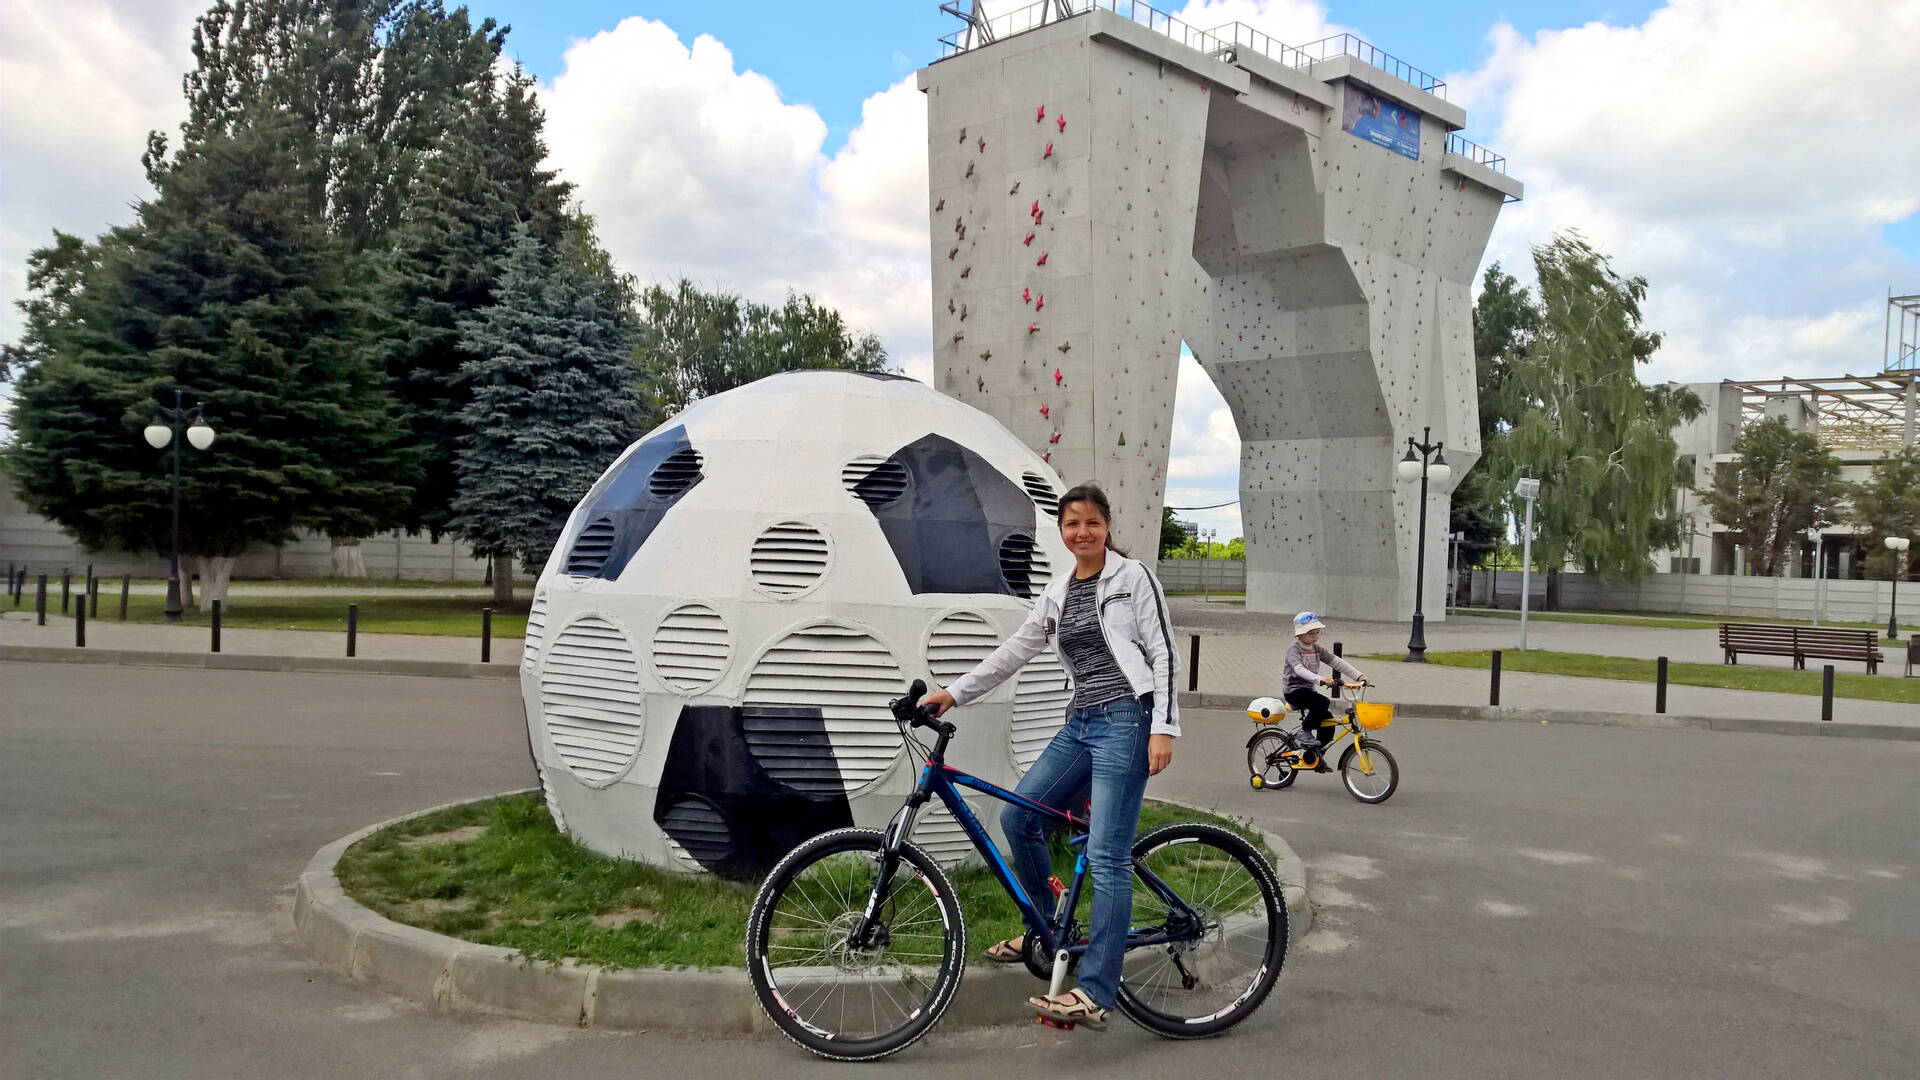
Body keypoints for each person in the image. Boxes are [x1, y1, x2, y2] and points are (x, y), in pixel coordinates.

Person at [918, 482, 1178, 1030]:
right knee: (1019, 817)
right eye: (1071, 524)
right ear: (1061, 532)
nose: (1082, 533)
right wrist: (954, 692)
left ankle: (1096, 992)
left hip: (1127, 720)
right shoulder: (1058, 591)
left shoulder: (1132, 578)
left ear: (1107, 526)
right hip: (1081, 722)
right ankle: (1046, 928)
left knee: (1106, 855)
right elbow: (1015, 649)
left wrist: (1163, 728)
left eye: (1091, 523)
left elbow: (1164, 652)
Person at [1283, 612, 1365, 769]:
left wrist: (1359, 675)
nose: (1315, 637)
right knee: (1323, 702)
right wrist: (1320, 679)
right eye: (1311, 633)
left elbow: (1336, 662)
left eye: (1317, 633)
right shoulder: (1294, 649)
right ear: (1299, 634)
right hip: (1293, 691)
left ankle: (1313, 756)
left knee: (1328, 723)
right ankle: (1304, 731)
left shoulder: (1316, 649)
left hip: (1308, 691)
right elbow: (1299, 669)